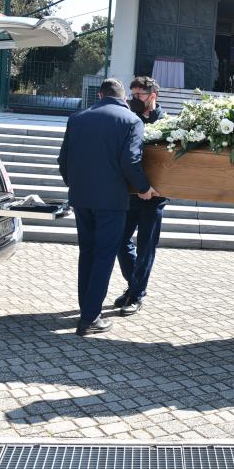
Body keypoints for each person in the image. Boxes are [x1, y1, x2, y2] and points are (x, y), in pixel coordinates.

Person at [58, 78, 156, 336]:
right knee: (103, 256)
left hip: (81, 198)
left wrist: (76, 185)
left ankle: (87, 310)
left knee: (87, 254)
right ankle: (90, 318)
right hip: (112, 202)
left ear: (100, 95)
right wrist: (144, 189)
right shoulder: (131, 121)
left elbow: (63, 161)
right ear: (124, 98)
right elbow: (131, 161)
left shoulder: (77, 118)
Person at [115, 76, 167, 316]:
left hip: (155, 196)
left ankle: (135, 295)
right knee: (119, 240)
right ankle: (135, 286)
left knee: (146, 247)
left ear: (152, 96)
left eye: (139, 96)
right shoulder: (129, 120)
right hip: (131, 193)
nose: (133, 100)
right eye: (132, 95)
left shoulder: (166, 123)